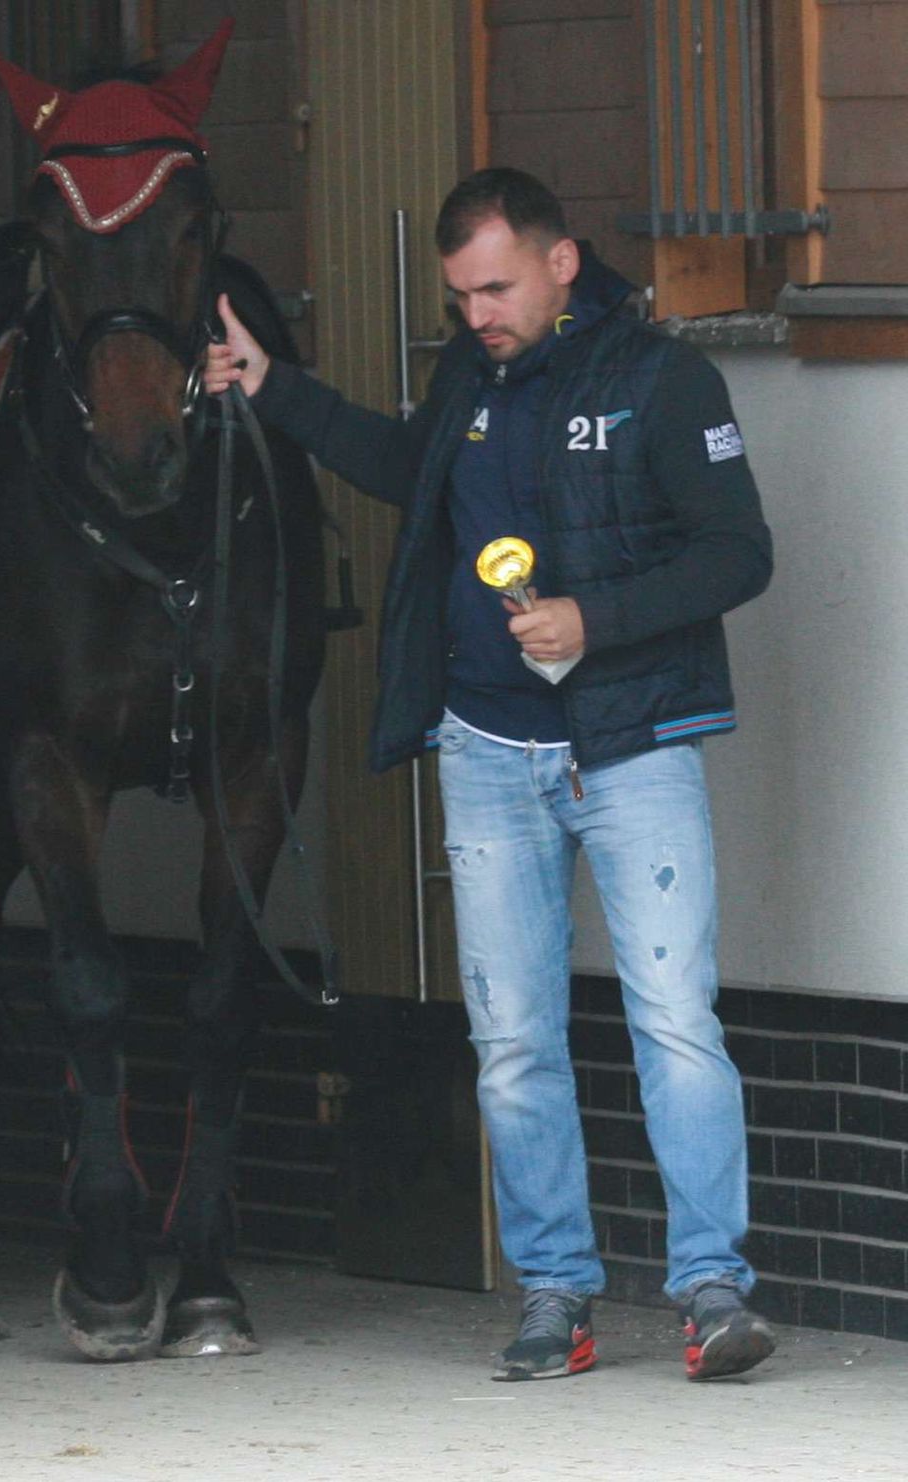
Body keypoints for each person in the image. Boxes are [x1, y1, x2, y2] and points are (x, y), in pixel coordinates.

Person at [205, 167, 776, 1383]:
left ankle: (711, 1289)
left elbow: (739, 552)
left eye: (496, 287)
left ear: (561, 261)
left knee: (674, 1023)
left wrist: (593, 619)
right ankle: (552, 1296)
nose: (476, 314)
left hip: (635, 744)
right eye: (460, 293)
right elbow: (411, 470)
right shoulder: (467, 374)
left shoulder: (666, 377)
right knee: (511, 1039)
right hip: (484, 748)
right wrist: (275, 391)